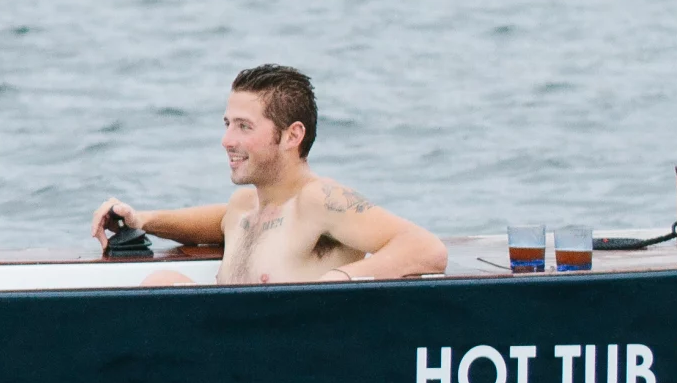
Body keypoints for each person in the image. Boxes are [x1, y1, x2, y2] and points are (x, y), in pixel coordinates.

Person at [88, 64, 447, 285]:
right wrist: (143, 219)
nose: (227, 140)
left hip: (292, 365)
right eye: (228, 124)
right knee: (162, 280)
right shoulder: (245, 206)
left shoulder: (319, 200)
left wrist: (341, 281)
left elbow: (426, 248)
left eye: (245, 127)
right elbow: (218, 221)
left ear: (292, 135)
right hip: (230, 356)